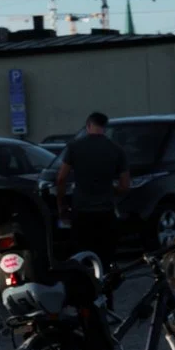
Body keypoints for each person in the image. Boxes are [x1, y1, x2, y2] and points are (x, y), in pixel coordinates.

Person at [53, 111, 130, 262]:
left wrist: (61, 206)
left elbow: (61, 178)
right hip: (106, 212)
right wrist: (110, 189)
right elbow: (125, 186)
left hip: (81, 212)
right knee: (105, 257)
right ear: (104, 127)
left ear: (88, 126)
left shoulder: (75, 147)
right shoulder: (116, 150)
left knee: (81, 256)